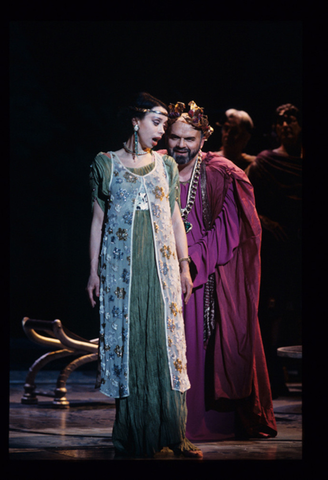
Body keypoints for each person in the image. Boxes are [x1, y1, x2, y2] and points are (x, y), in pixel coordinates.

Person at [86, 92, 203, 458]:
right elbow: (98, 220)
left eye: (165, 124)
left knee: (165, 347)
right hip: (123, 274)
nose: (162, 130)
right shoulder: (106, 163)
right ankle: (132, 436)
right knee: (131, 346)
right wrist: (93, 272)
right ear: (135, 121)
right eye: (157, 122)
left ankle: (171, 433)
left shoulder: (165, 167)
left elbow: (174, 220)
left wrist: (184, 266)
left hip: (162, 270)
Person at [158, 100, 277, 441]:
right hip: (161, 272)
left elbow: (232, 228)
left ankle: (202, 424)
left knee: (200, 346)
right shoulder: (156, 169)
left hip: (204, 276)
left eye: (189, 139)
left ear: (203, 139)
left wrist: (191, 259)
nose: (181, 145)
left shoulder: (221, 173)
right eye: (175, 137)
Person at [246, 103, 302, 397]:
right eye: (280, 121)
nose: (286, 125)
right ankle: (273, 375)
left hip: (301, 244)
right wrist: (266, 221)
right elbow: (247, 199)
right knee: (274, 309)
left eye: (292, 120)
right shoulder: (266, 162)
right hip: (276, 245)